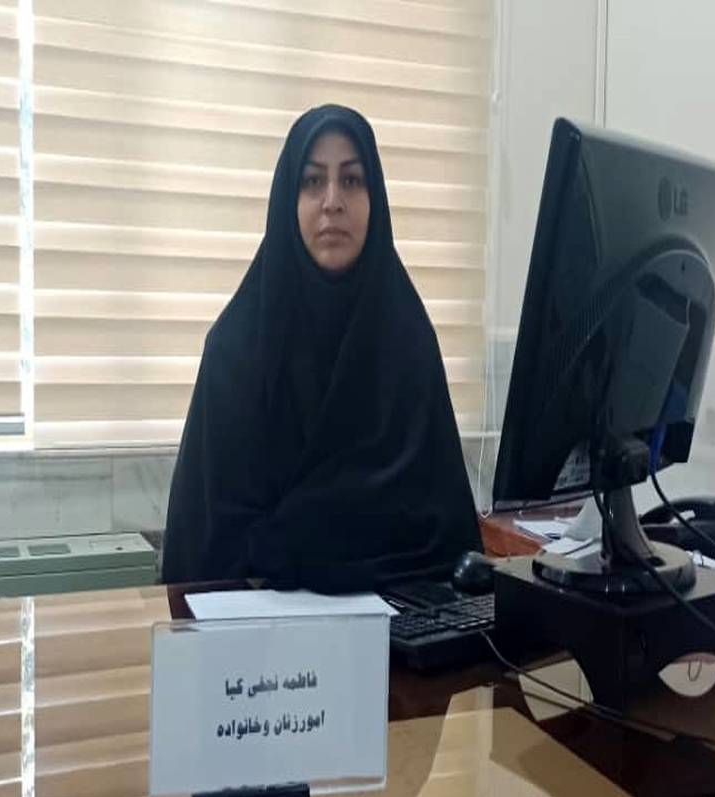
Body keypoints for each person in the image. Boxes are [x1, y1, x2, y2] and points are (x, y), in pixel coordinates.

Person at [161, 104, 481, 592]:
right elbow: (203, 549)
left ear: (376, 201)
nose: (333, 202)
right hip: (257, 627)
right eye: (313, 181)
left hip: (399, 624)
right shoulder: (236, 351)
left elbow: (449, 540)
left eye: (351, 181)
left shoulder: (409, 342)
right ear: (287, 202)